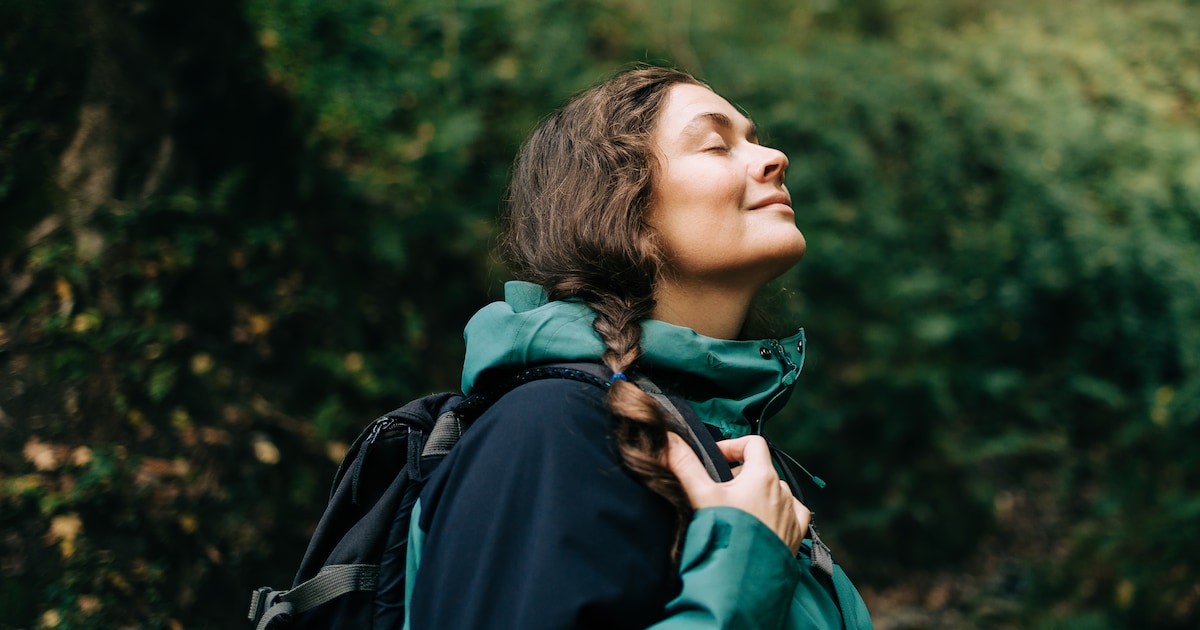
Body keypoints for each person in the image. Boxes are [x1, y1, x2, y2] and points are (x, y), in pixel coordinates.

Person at [403, 66, 873, 629]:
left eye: (754, 139)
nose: (775, 157)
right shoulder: (548, 427)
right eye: (716, 145)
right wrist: (746, 565)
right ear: (619, 205)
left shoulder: (710, 441)